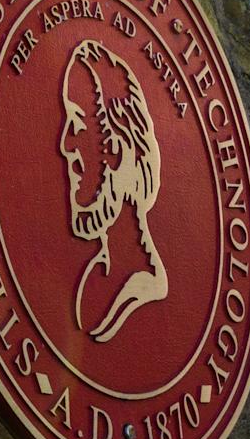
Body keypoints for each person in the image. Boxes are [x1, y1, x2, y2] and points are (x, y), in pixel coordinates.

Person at [58, 39, 168, 342]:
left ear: (119, 150)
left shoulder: (140, 285)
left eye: (77, 124)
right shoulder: (97, 277)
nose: (66, 146)